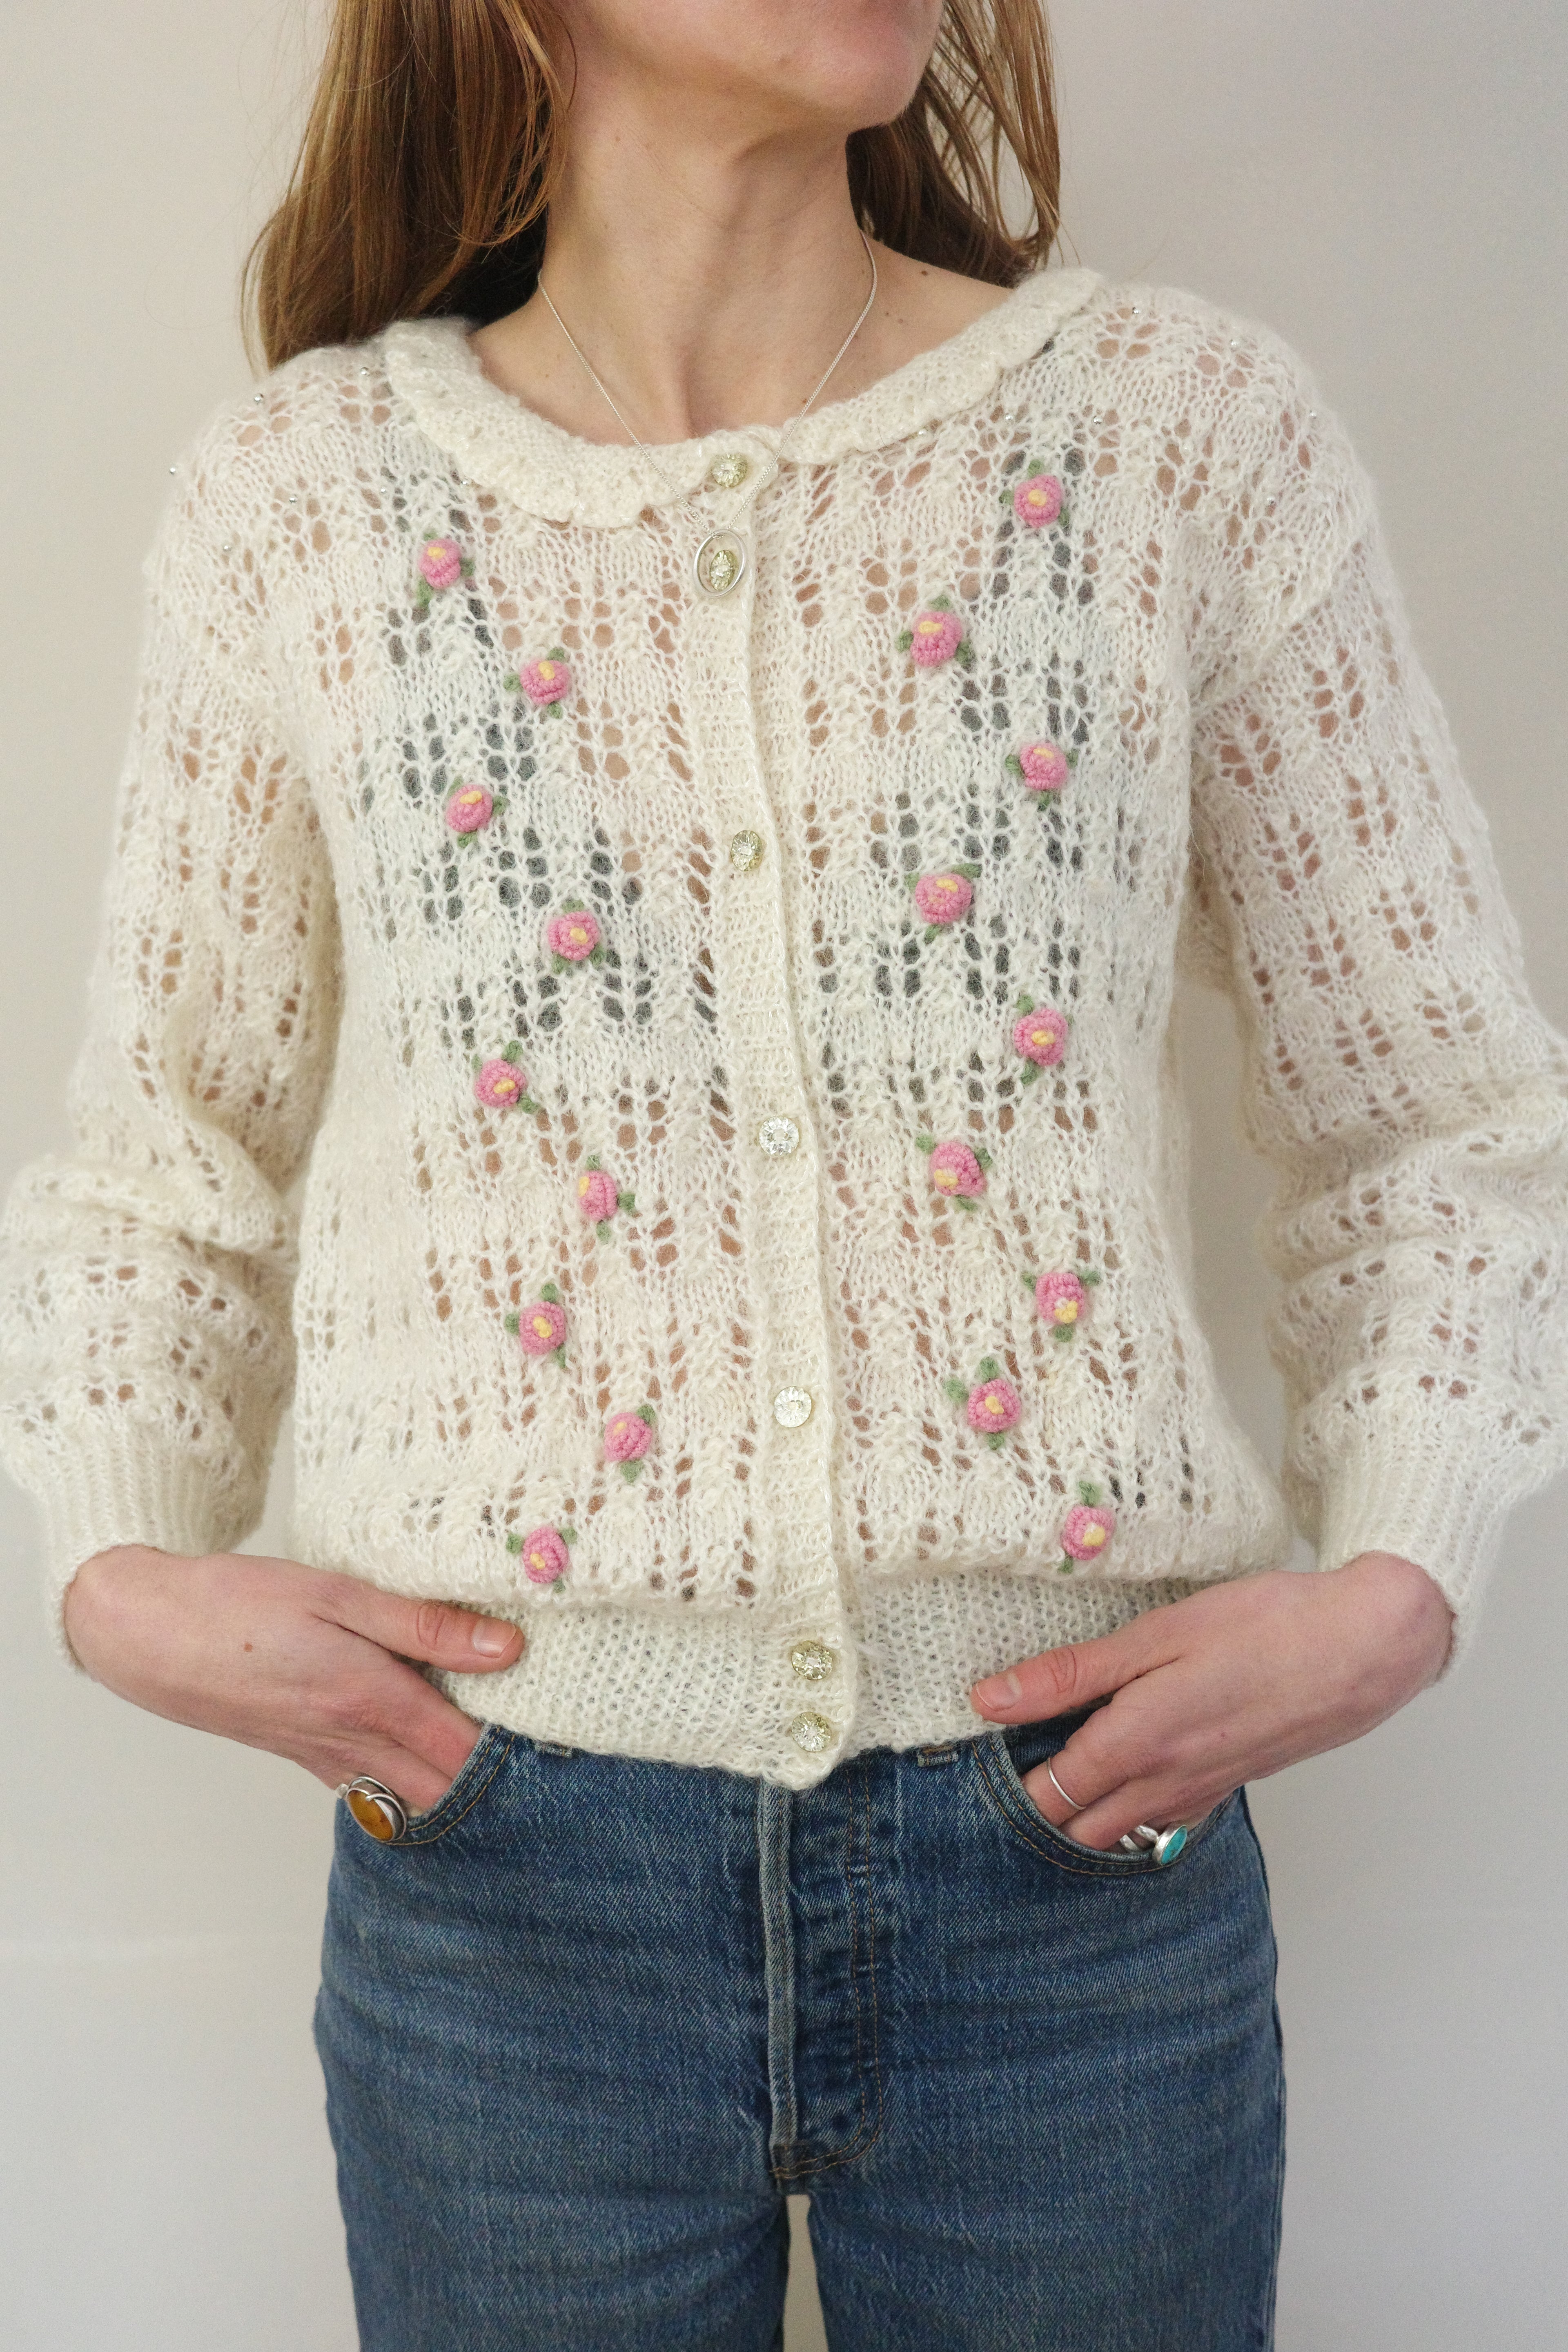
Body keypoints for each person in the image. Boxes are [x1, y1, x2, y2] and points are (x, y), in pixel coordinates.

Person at [3, 0, 1565, 2344]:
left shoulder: (1179, 441)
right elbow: (167, 1146)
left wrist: (1408, 1563)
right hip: (506, 1878)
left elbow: (1439, 1111)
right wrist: (114, 1552)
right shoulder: (304, 506)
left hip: (1079, 1858)